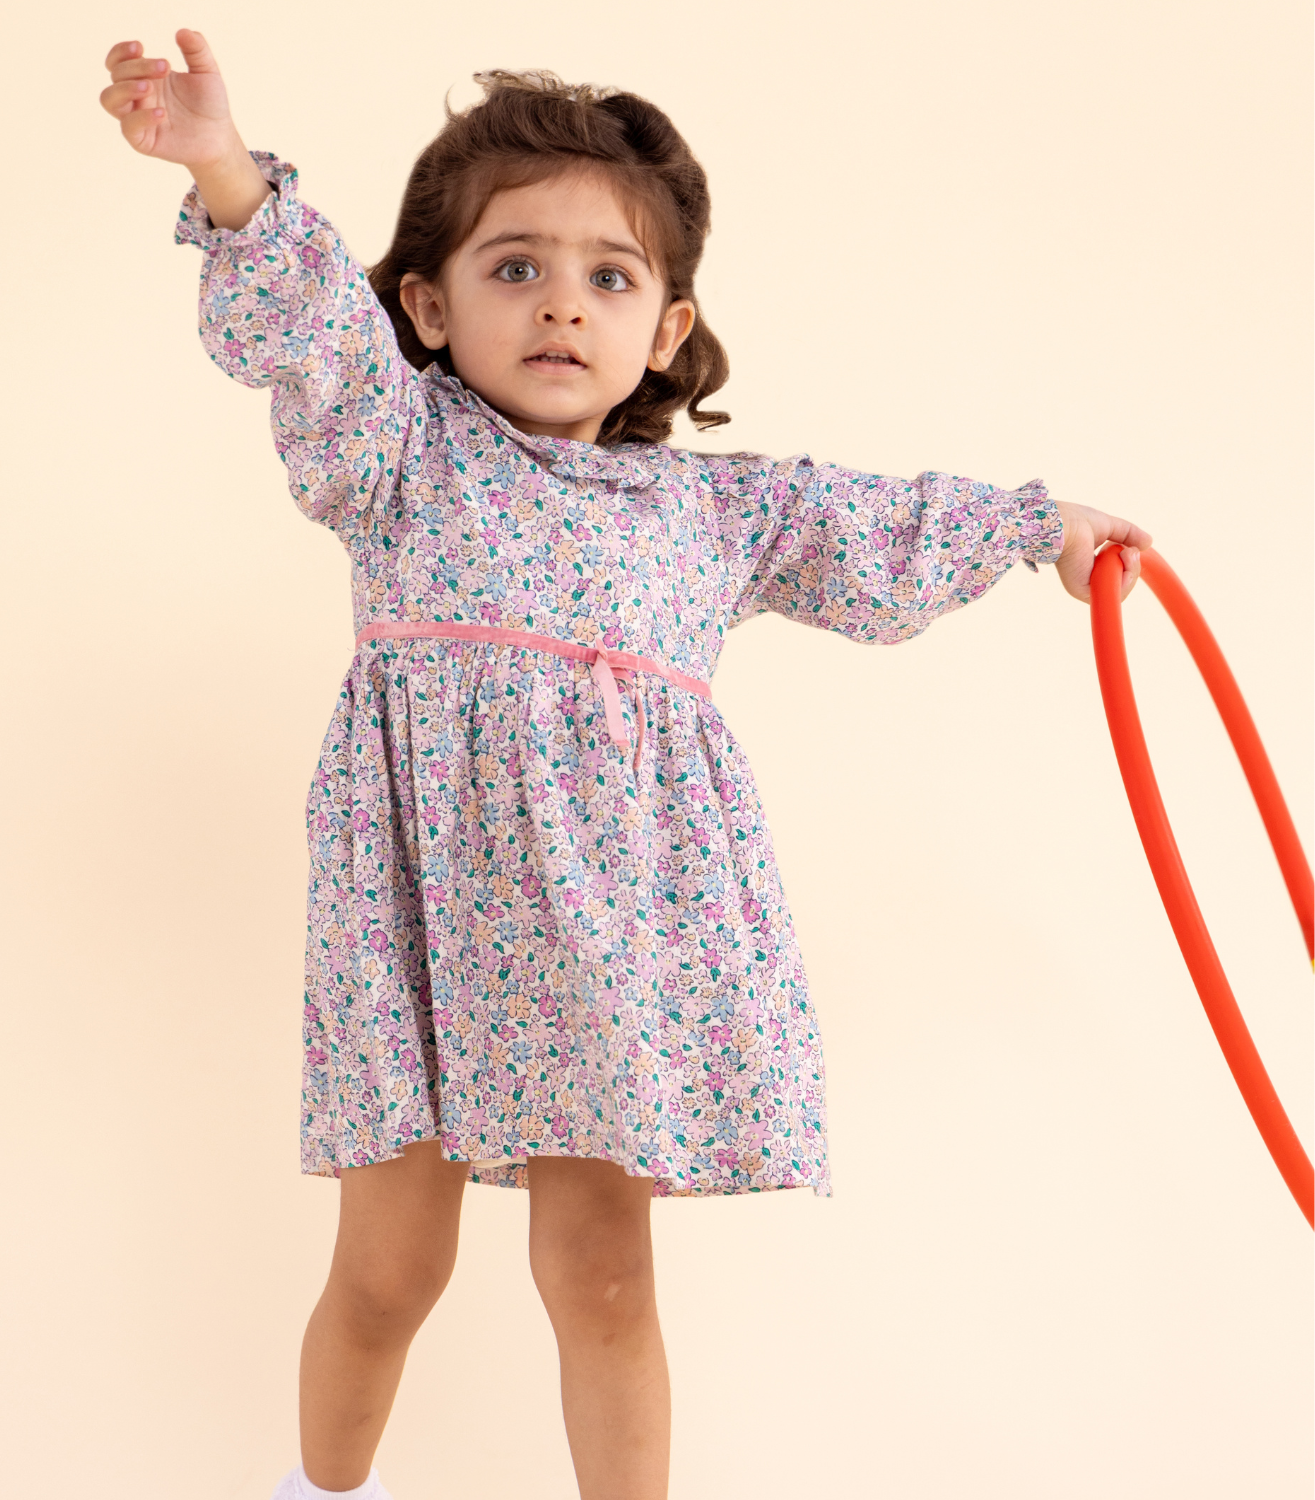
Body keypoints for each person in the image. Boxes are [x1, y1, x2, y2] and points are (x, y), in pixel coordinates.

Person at [99, 30, 1151, 1500]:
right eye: (513, 266)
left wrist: (1049, 528)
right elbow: (311, 336)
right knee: (389, 1273)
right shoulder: (400, 454)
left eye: (609, 277)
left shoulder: (712, 514)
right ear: (428, 301)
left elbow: (877, 525)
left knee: (602, 1279)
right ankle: (320, 1495)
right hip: (418, 929)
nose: (560, 306)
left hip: (605, 956)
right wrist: (219, 164)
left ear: (664, 330)